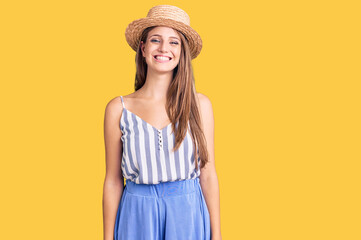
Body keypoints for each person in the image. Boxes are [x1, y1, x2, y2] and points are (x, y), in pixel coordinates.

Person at [102, 5, 221, 240]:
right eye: (156, 40)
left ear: (182, 52)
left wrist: (216, 235)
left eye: (174, 42)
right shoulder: (118, 108)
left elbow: (208, 174)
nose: (164, 48)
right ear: (144, 49)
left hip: (186, 213)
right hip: (136, 213)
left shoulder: (199, 105)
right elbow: (113, 180)